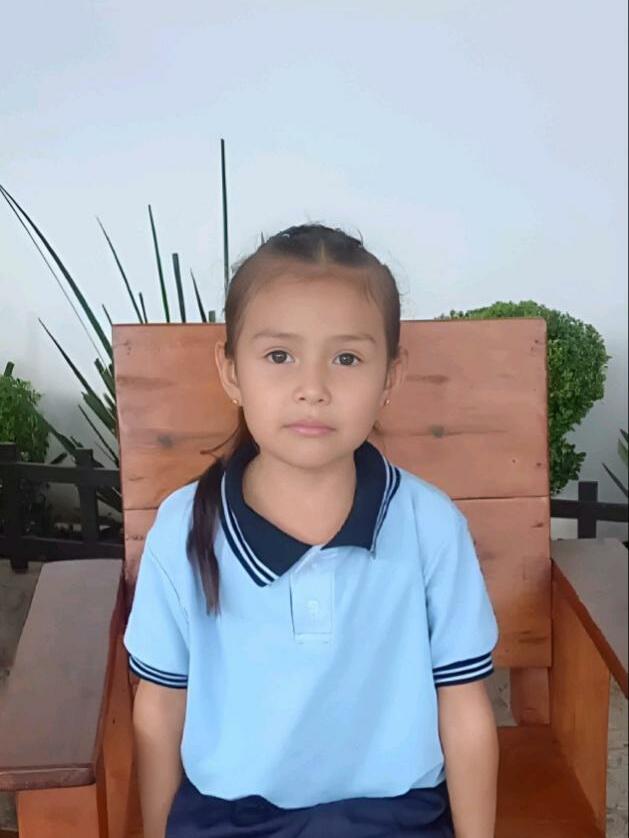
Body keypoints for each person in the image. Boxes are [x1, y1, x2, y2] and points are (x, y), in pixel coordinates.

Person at [123, 224, 500, 838]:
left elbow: (464, 706)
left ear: (391, 376)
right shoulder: (184, 528)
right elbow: (160, 709)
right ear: (231, 371)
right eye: (279, 356)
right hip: (228, 819)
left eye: (347, 359)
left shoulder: (429, 525)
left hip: (394, 817)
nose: (313, 389)